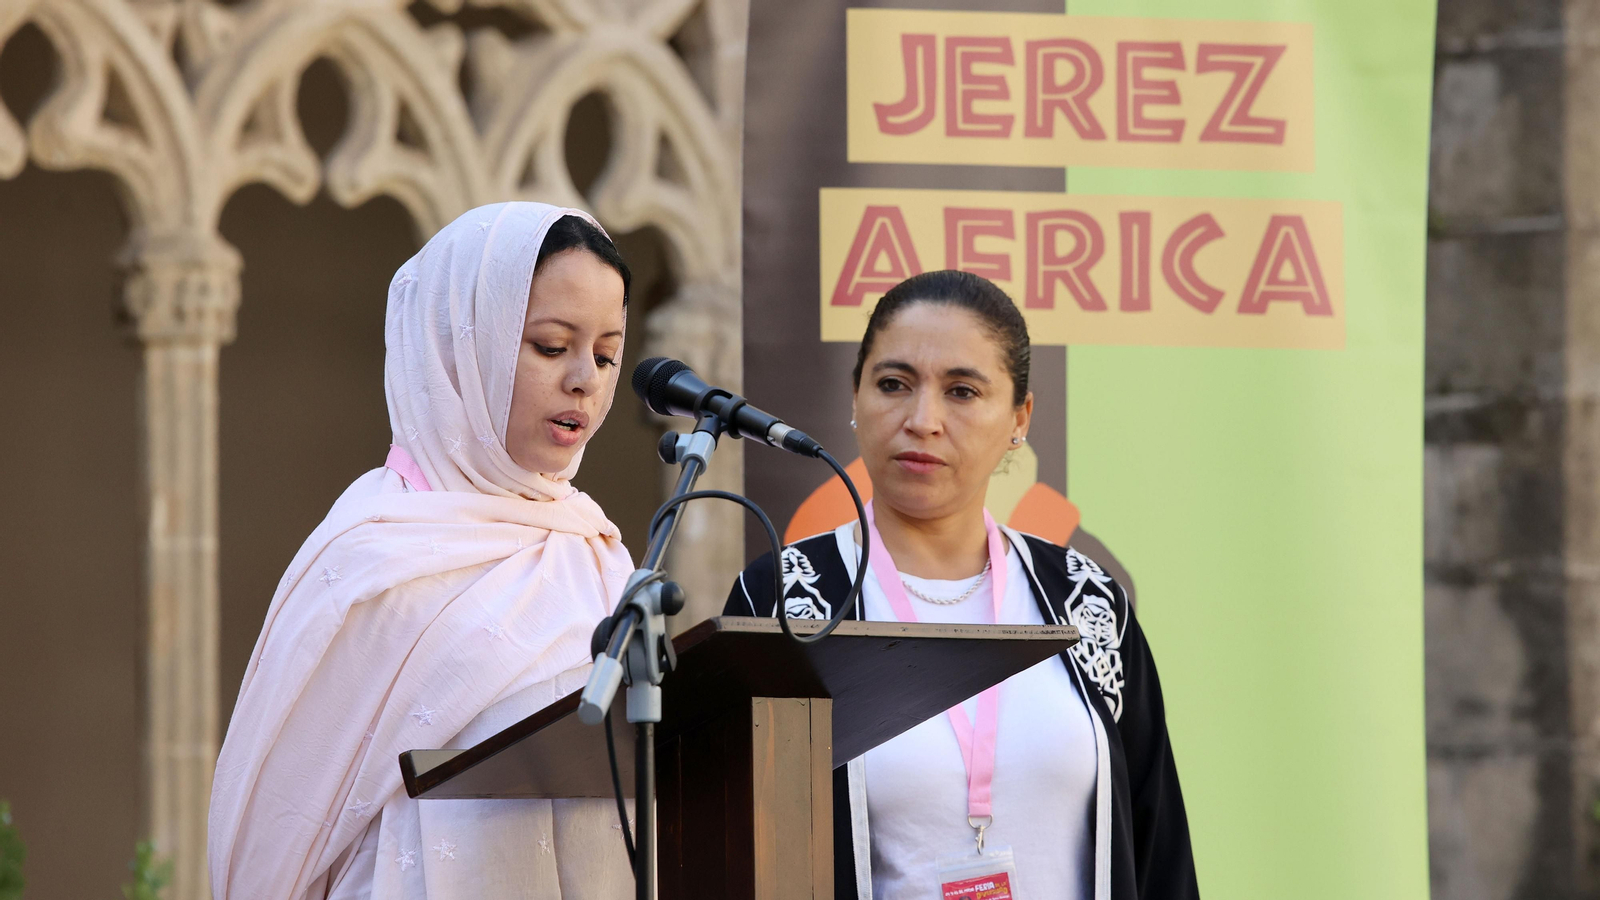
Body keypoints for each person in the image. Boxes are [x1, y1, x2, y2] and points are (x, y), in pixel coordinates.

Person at [725, 270, 1199, 900]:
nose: (923, 419)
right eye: (893, 384)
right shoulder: (783, 602)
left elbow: (1159, 847)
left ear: (1019, 417)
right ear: (855, 396)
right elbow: (733, 849)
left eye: (963, 391)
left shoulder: (1088, 602)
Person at [210, 203, 638, 900]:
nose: (585, 379)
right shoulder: (371, 555)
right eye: (552, 346)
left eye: (607, 352)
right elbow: (274, 830)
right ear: (459, 349)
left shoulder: (595, 551)